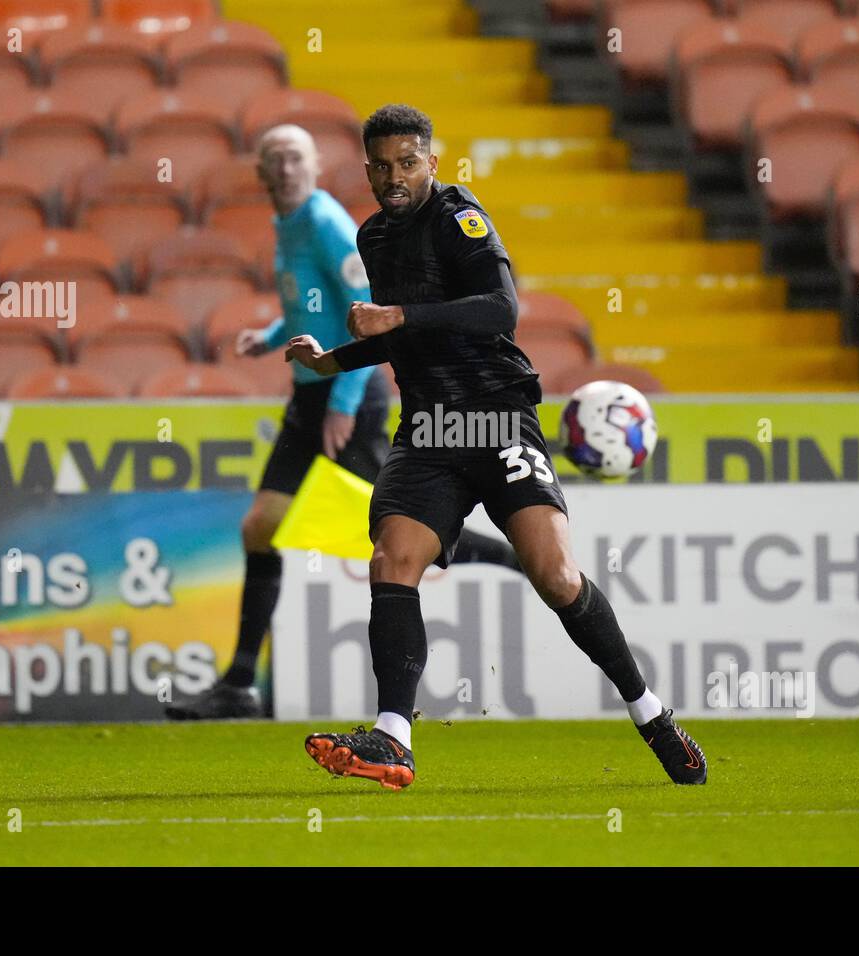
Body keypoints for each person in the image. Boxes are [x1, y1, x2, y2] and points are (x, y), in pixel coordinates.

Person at [283, 105, 707, 788]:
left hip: (498, 417)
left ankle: (651, 714)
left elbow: (499, 309)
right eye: (383, 166)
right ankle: (393, 738)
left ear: (432, 161)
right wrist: (332, 362)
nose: (396, 177)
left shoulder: (459, 217)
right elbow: (405, 334)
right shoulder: (373, 238)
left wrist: (400, 314)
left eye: (409, 162)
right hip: (430, 429)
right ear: (367, 169)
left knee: (556, 576)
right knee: (392, 558)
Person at [166, 124, 520, 721]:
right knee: (262, 526)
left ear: (314, 167)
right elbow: (318, 308)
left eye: (295, 158)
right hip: (309, 398)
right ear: (259, 171)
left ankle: (510, 556)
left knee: (404, 525)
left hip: (345, 400)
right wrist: (274, 336)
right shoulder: (288, 225)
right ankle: (240, 683)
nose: (284, 168)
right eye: (273, 158)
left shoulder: (327, 223)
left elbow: (367, 316)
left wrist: (343, 398)